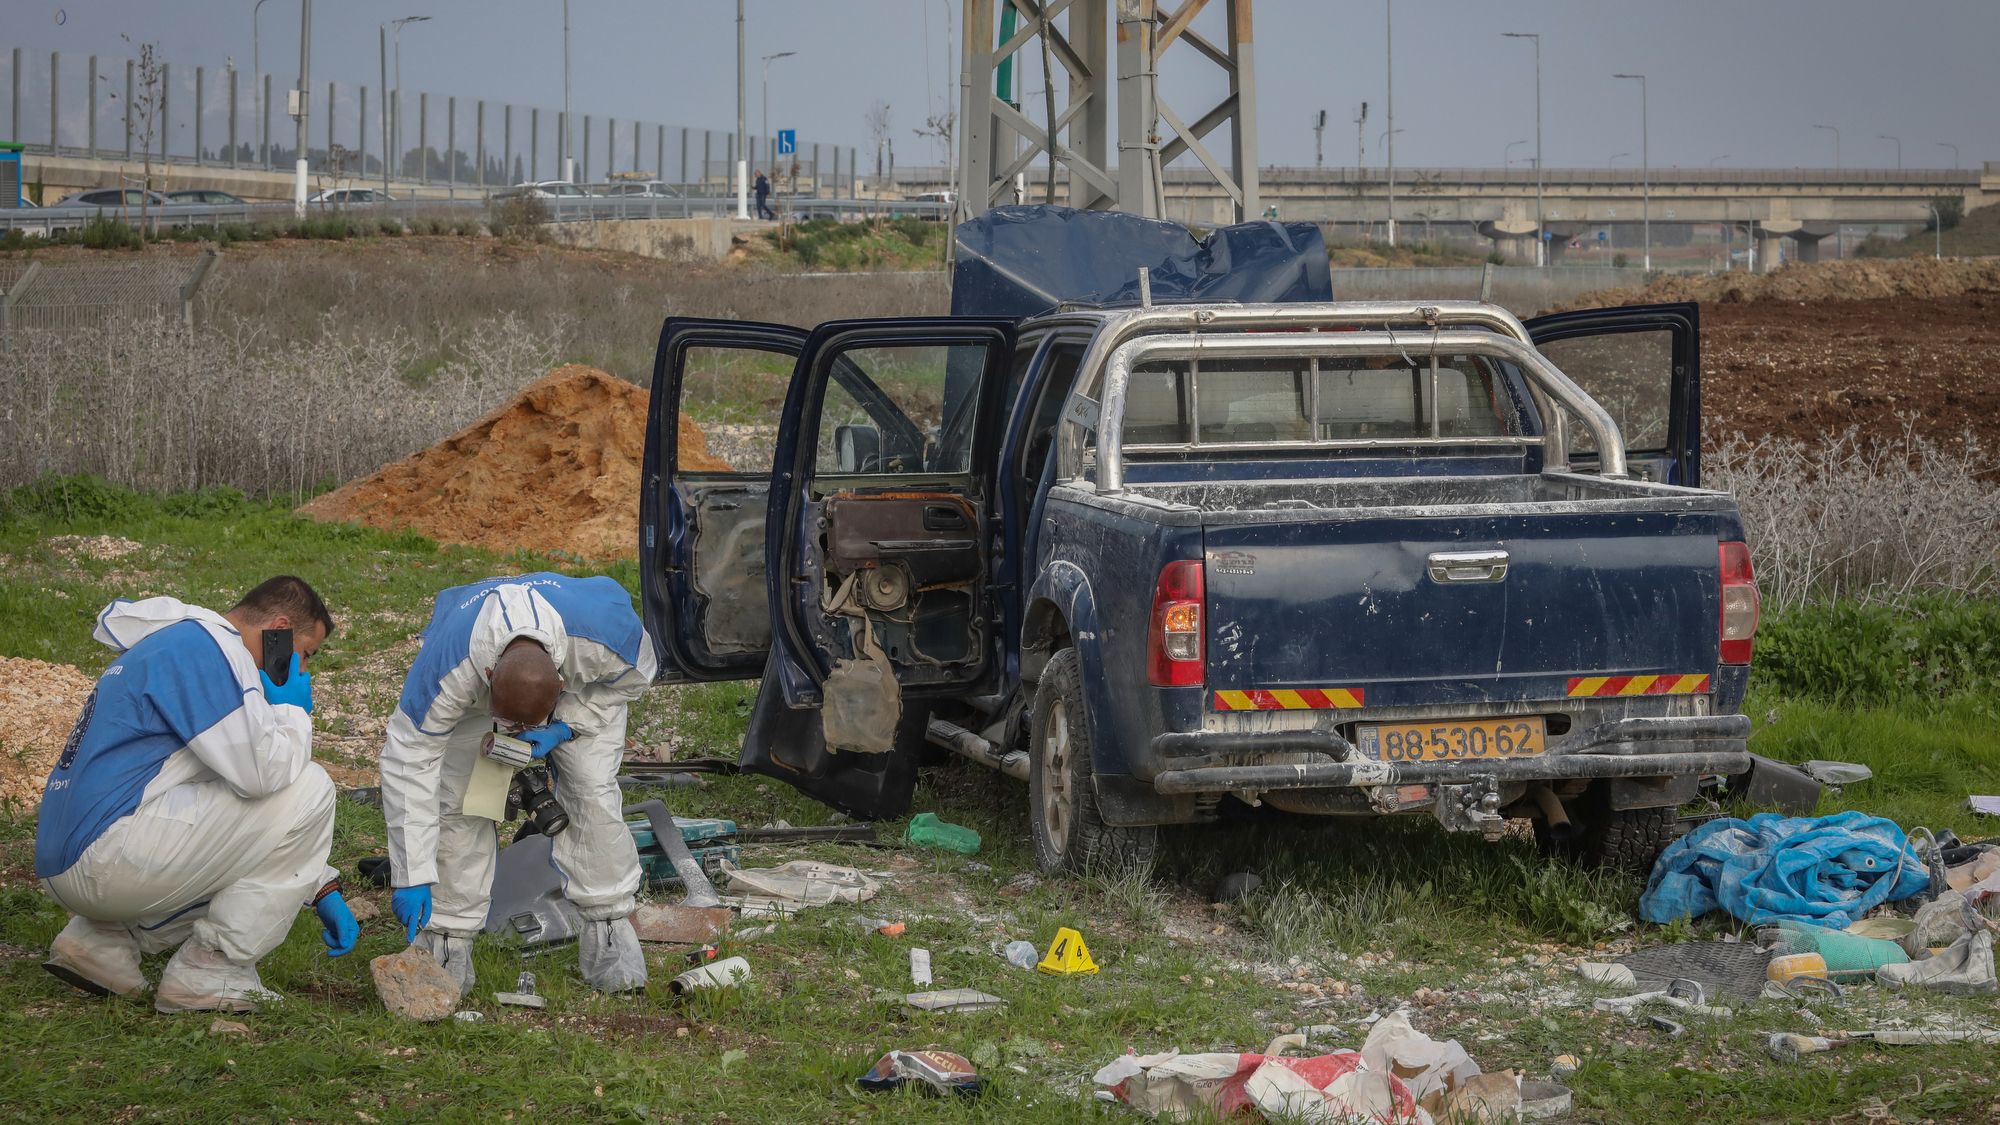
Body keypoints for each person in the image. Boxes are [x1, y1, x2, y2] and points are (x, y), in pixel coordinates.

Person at [35, 577, 353, 1013]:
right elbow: (265, 777)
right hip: (105, 859)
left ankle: (101, 941)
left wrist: (319, 886)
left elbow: (223, 793)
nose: (302, 668)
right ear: (279, 628)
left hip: (69, 855)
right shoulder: (213, 653)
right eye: (305, 652)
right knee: (312, 787)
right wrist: (291, 710)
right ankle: (210, 971)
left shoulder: (176, 642)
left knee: (255, 790)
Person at [380, 573, 658, 995]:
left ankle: (609, 933)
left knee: (591, 792)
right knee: (460, 802)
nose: (516, 733)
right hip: (476, 691)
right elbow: (409, 761)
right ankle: (448, 942)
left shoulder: (606, 640)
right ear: (489, 675)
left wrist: (565, 729)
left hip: (582, 691)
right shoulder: (447, 669)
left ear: (561, 683)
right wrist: (411, 871)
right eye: (510, 723)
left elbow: (638, 679)